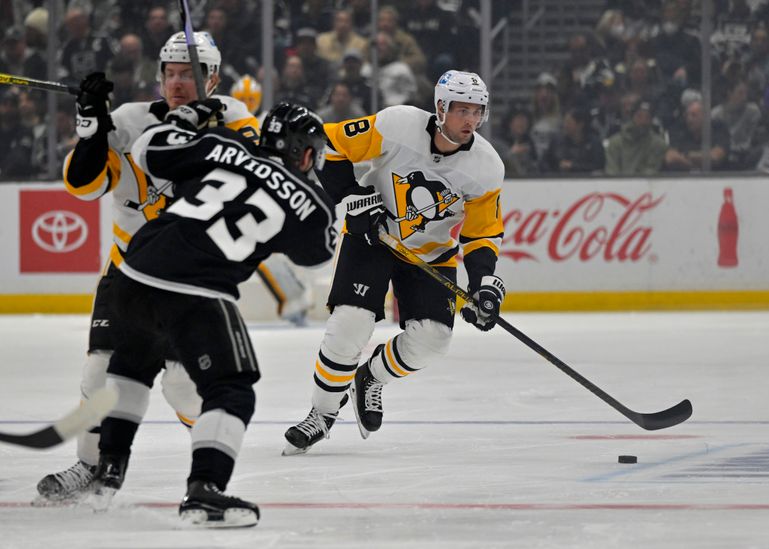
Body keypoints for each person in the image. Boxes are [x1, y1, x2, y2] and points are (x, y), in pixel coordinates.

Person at [35, 31, 260, 503]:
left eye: (190, 74)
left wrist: (204, 130)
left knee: (183, 386)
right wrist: (91, 125)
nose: (178, 83)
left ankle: (211, 464)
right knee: (100, 375)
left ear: (214, 79)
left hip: (190, 278)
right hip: (129, 272)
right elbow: (83, 187)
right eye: (171, 73)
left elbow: (246, 176)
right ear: (159, 77)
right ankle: (93, 467)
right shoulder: (129, 120)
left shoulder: (236, 119)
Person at [89, 100, 335, 526]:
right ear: (303, 151)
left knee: (131, 369)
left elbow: (148, 148)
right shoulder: (309, 199)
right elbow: (319, 253)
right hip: (195, 287)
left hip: (132, 273)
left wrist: (184, 121)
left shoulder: (220, 142)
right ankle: (205, 488)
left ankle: (108, 470)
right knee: (232, 388)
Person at [283, 70, 506, 455]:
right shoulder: (396, 124)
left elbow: (482, 233)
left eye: (477, 111)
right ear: (440, 108)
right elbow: (326, 144)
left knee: (434, 340)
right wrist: (355, 196)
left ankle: (370, 378)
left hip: (430, 254)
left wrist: (483, 282)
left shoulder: (486, 166)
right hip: (373, 238)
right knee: (351, 324)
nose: (470, 120)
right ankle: (321, 414)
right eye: (462, 110)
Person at [230, 74, 317, 325]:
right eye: (242, 99)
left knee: (280, 253)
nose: (247, 103)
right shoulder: (232, 122)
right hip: (252, 197)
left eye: (250, 99)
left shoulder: (269, 121)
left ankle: (298, 301)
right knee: (268, 256)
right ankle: (295, 302)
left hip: (275, 193)